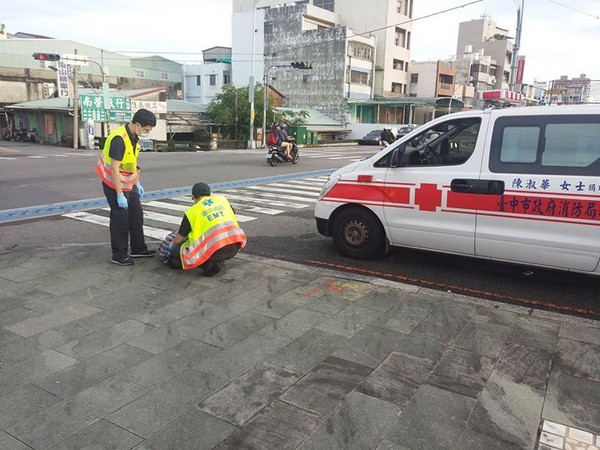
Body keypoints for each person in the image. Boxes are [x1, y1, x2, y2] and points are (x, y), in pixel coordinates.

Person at [95, 108, 157, 266]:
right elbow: (115, 168)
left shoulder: (134, 137)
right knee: (120, 219)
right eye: (146, 129)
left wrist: (137, 182)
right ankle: (119, 254)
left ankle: (138, 248)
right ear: (137, 124)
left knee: (136, 215)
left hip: (129, 183)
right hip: (113, 184)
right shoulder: (119, 139)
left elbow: (132, 163)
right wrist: (119, 194)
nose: (147, 132)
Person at [160, 182, 247, 277]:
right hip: (234, 247)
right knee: (214, 245)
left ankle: (207, 265)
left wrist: (171, 247)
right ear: (210, 194)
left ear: (193, 197)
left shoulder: (192, 212)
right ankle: (218, 261)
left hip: (214, 252)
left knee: (176, 252)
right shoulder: (223, 201)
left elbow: (178, 239)